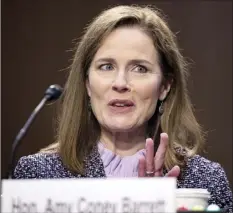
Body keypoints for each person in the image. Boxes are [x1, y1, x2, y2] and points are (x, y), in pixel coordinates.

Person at [13, 5, 232, 212]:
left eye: (139, 68)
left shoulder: (205, 179)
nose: (120, 83)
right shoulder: (38, 175)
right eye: (106, 66)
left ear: (164, 86)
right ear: (87, 83)